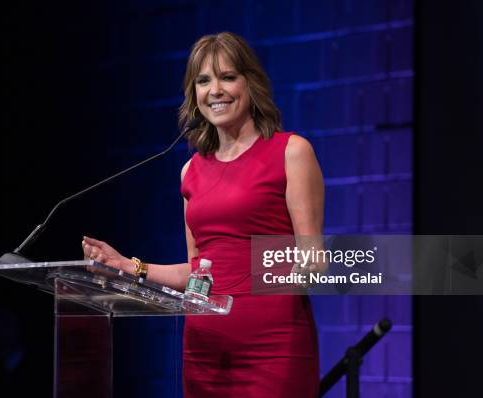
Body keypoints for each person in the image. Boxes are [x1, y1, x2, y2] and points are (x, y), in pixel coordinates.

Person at [82, 31, 324, 398]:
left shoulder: (291, 151)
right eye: (204, 80)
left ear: (250, 83)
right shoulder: (190, 171)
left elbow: (314, 258)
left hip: (273, 345)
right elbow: (200, 270)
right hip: (205, 350)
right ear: (194, 93)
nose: (216, 90)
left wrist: (300, 266)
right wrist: (131, 267)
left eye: (228, 77)